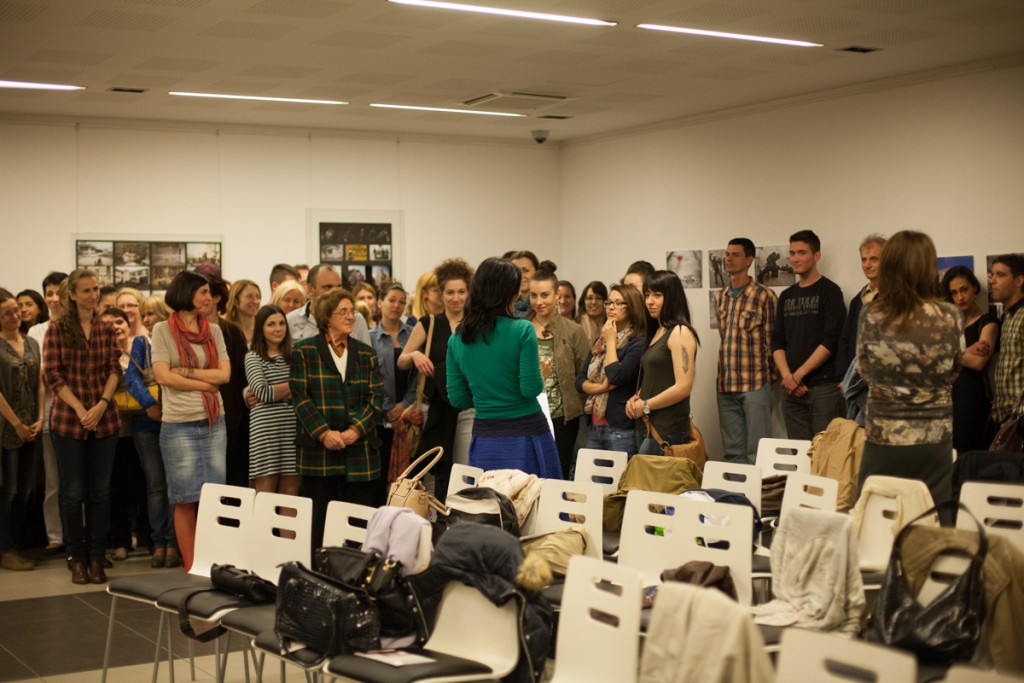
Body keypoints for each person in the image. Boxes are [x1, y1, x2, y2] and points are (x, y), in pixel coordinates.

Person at [857, 231, 962, 523]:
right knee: (932, 522)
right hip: (933, 436)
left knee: (874, 522)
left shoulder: (872, 314)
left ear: (889, 265)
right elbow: (954, 370)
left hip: (884, 434)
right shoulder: (950, 315)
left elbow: (864, 369)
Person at [447, 257, 561, 478]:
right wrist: (541, 375)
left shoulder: (457, 339)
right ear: (510, 292)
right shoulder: (522, 330)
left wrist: (487, 396)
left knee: (489, 496)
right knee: (534, 497)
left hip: (485, 436)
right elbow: (530, 389)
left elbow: (458, 399)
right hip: (526, 434)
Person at [44, 269, 122, 584]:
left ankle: (96, 557)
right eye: (86, 290)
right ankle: (77, 558)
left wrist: (101, 404)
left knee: (100, 492)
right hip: (68, 420)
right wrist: (80, 409)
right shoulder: (57, 328)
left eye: (95, 289)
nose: (93, 295)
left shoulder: (106, 327)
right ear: (72, 295)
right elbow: (53, 375)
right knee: (73, 492)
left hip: (105, 419)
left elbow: (115, 368)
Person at [290, 288, 383, 550]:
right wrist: (323, 433)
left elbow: (376, 398)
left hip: (359, 450)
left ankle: (356, 568)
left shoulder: (366, 353)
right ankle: (318, 568)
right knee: (320, 519)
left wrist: (356, 430)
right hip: (319, 451)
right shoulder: (304, 351)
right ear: (326, 317)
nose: (351, 316)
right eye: (343, 311)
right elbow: (300, 397)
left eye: (352, 311)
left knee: (358, 520)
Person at [151, 270, 230, 572]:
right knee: (185, 498)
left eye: (209, 293)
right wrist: (206, 384)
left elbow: (224, 375)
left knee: (215, 498)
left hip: (213, 422)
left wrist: (188, 372)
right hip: (178, 424)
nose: (209, 298)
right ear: (186, 294)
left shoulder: (214, 331)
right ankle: (192, 566)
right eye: (203, 292)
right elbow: (163, 376)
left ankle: (214, 564)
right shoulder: (162, 330)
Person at [399, 259, 473, 496]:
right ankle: (431, 515)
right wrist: (415, 355)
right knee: (431, 471)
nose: (455, 298)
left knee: (464, 470)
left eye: (461, 292)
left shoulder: (475, 325)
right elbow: (402, 361)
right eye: (450, 292)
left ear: (468, 293)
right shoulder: (429, 323)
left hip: (467, 408)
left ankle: (458, 514)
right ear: (440, 293)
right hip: (432, 408)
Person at [771, 230, 847, 440]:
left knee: (825, 452)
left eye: (801, 252)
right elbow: (777, 340)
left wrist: (798, 376)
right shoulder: (786, 296)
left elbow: (831, 340)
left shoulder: (830, 291)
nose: (795, 258)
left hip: (823, 388)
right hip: (791, 391)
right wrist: (788, 377)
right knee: (799, 454)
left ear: (816, 256)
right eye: (792, 253)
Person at [126, 295, 178, 568]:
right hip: (146, 422)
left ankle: (174, 543)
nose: (146, 320)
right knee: (156, 486)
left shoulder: (175, 341)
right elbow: (130, 378)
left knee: (175, 485)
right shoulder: (141, 343)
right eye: (144, 315)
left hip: (176, 419)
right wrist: (149, 404)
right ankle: (159, 543)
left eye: (151, 314)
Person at [714, 238, 778, 465]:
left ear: (749, 260)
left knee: (757, 452)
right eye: (727, 254)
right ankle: (734, 488)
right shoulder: (720, 297)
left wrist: (770, 378)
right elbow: (725, 337)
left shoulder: (764, 296)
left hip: (755, 384)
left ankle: (758, 490)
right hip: (726, 385)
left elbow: (773, 342)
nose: (728, 259)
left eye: (735, 254)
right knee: (733, 453)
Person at [626, 271, 699, 454]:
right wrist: (637, 397)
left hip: (666, 430)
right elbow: (657, 377)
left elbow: (683, 387)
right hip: (647, 426)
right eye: (647, 295)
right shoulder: (658, 331)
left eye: (657, 295)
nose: (649, 301)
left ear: (672, 297)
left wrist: (645, 405)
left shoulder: (680, 332)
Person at [528, 263, 590, 478]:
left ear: (557, 296)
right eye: (533, 295)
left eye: (545, 295)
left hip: (563, 417)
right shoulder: (520, 328)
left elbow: (585, 374)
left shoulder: (573, 330)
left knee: (558, 475)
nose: (538, 301)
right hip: (528, 413)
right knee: (529, 475)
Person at [0, 288, 43, 571]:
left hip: (31, 427)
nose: (15, 316)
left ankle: (16, 545)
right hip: (6, 427)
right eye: (7, 314)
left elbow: (40, 383)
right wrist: (16, 423)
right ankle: (6, 549)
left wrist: (40, 418)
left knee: (26, 490)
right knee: (8, 490)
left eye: (16, 310)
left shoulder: (31, 343)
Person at [576, 284, 646, 457]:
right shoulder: (600, 341)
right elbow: (580, 381)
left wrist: (612, 342)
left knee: (622, 475)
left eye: (618, 303)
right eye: (609, 302)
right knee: (591, 475)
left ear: (632, 307)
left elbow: (615, 375)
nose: (611, 307)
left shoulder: (638, 343)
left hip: (620, 428)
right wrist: (602, 387)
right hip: (594, 425)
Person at [941, 266, 1000, 453]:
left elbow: (977, 362)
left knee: (969, 456)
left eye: (964, 289)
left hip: (972, 399)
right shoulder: (951, 326)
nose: (960, 297)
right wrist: (962, 354)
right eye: (954, 293)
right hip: (947, 398)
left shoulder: (988, 321)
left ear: (974, 288)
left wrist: (945, 356)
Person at [369, 283, 421, 498]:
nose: (396, 305)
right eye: (392, 300)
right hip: (381, 417)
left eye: (401, 302)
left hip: (409, 415)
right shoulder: (370, 337)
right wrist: (387, 407)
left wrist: (405, 405)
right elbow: (370, 377)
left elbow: (418, 376)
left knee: (408, 479)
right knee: (380, 478)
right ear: (380, 302)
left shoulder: (412, 334)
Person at [27, 271, 66, 553]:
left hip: (79, 414)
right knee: (53, 480)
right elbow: (36, 372)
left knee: (79, 481)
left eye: (58, 293)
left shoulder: (79, 326)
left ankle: (81, 532)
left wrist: (50, 369)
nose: (54, 299)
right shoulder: (36, 332)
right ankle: (56, 535)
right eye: (49, 294)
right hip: (49, 412)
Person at [245, 305, 299, 495]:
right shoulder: (253, 357)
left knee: (290, 498)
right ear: (261, 328)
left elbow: (308, 389)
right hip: (265, 432)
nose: (278, 328)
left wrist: (277, 388)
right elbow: (262, 393)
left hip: (292, 430)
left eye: (282, 323)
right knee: (264, 498)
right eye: (271, 324)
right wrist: (295, 384)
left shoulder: (296, 354)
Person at [288, 264, 371, 345]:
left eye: (338, 287)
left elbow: (366, 353)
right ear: (310, 289)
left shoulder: (355, 319)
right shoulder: (291, 320)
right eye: (327, 287)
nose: (335, 293)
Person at [989, 253, 1024, 429]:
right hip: (1004, 416)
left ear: (1019, 281)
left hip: (1019, 418)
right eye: (992, 275)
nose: (992, 281)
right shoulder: (1008, 316)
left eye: (1000, 275)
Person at [225, 279, 262, 347]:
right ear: (235, 301)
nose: (255, 301)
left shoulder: (263, 327)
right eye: (249, 297)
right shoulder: (227, 330)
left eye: (258, 297)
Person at [508, 250, 539, 319]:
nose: (521, 275)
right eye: (516, 271)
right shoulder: (505, 305)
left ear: (536, 272)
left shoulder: (543, 304)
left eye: (526, 270)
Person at [576, 281, 608, 345]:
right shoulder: (576, 326)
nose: (593, 302)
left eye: (598, 298)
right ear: (584, 301)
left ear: (605, 302)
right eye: (589, 298)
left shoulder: (611, 325)